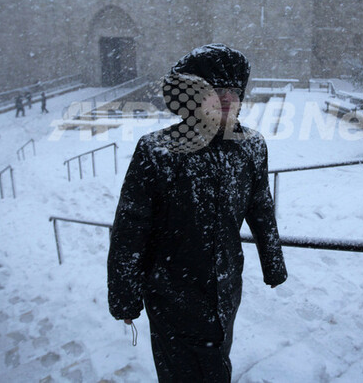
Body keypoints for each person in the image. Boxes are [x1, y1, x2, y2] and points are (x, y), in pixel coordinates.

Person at [107, 44, 287, 382]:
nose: (226, 99)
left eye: (233, 91)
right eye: (215, 91)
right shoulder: (157, 151)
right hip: (170, 295)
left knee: (218, 360)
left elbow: (261, 207)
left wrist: (273, 263)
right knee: (179, 372)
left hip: (225, 289)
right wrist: (124, 295)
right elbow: (130, 227)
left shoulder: (251, 147)